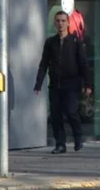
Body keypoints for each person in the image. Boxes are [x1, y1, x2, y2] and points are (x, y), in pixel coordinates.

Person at [34, 10, 92, 154]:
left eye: (63, 21)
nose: (60, 23)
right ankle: (60, 144)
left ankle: (78, 137)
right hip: (55, 84)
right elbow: (44, 63)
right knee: (55, 115)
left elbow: (83, 63)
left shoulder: (75, 41)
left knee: (71, 112)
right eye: (58, 21)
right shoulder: (50, 42)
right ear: (55, 23)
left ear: (68, 23)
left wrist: (88, 84)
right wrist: (38, 83)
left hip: (71, 84)